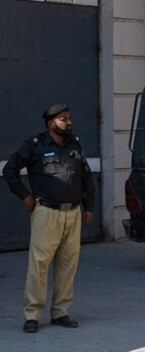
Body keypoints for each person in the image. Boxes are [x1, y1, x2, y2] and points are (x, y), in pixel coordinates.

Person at [2, 104, 94, 333]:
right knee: (39, 265)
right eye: (64, 119)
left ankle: (60, 313)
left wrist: (89, 206)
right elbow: (9, 170)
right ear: (50, 123)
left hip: (72, 213)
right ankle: (32, 315)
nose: (69, 122)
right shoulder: (35, 146)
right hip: (47, 214)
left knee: (68, 265)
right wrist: (25, 196)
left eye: (69, 118)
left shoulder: (75, 144)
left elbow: (86, 177)